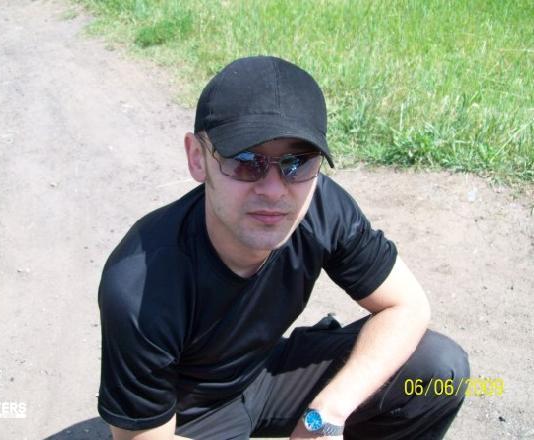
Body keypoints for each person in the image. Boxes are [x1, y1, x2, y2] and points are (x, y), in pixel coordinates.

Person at [97, 56, 470, 440]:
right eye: (246, 161)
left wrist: (327, 413)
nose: (274, 190)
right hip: (192, 415)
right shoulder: (141, 286)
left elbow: (407, 306)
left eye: (298, 162)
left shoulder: (322, 208)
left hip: (267, 371)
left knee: (439, 370)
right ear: (197, 158)